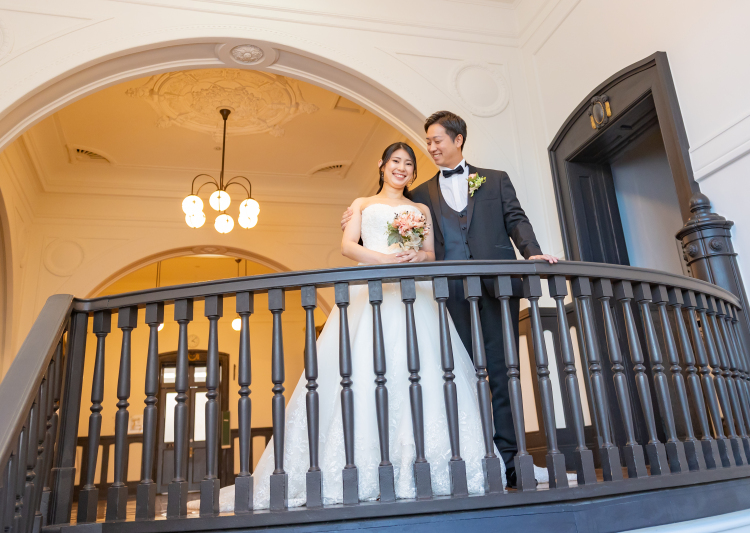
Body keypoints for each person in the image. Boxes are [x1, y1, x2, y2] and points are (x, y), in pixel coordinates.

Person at [199, 141, 530, 511]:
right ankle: (363, 468)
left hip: (414, 297)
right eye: (395, 162)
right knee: (364, 372)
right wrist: (382, 260)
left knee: (420, 371)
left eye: (408, 164)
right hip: (372, 294)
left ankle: (423, 465)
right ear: (382, 165)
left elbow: (432, 254)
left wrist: (417, 255)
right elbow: (346, 246)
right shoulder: (361, 204)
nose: (401, 168)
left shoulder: (421, 207)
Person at [341, 112, 558, 488]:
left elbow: (515, 219)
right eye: (427, 141)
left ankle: (513, 462)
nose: (431, 148)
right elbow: (389, 224)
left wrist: (532, 252)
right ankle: (476, 459)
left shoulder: (494, 180)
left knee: (504, 375)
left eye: (436, 140)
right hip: (447, 297)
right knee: (456, 378)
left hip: (496, 289)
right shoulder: (420, 194)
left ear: (458, 139)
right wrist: (352, 216)